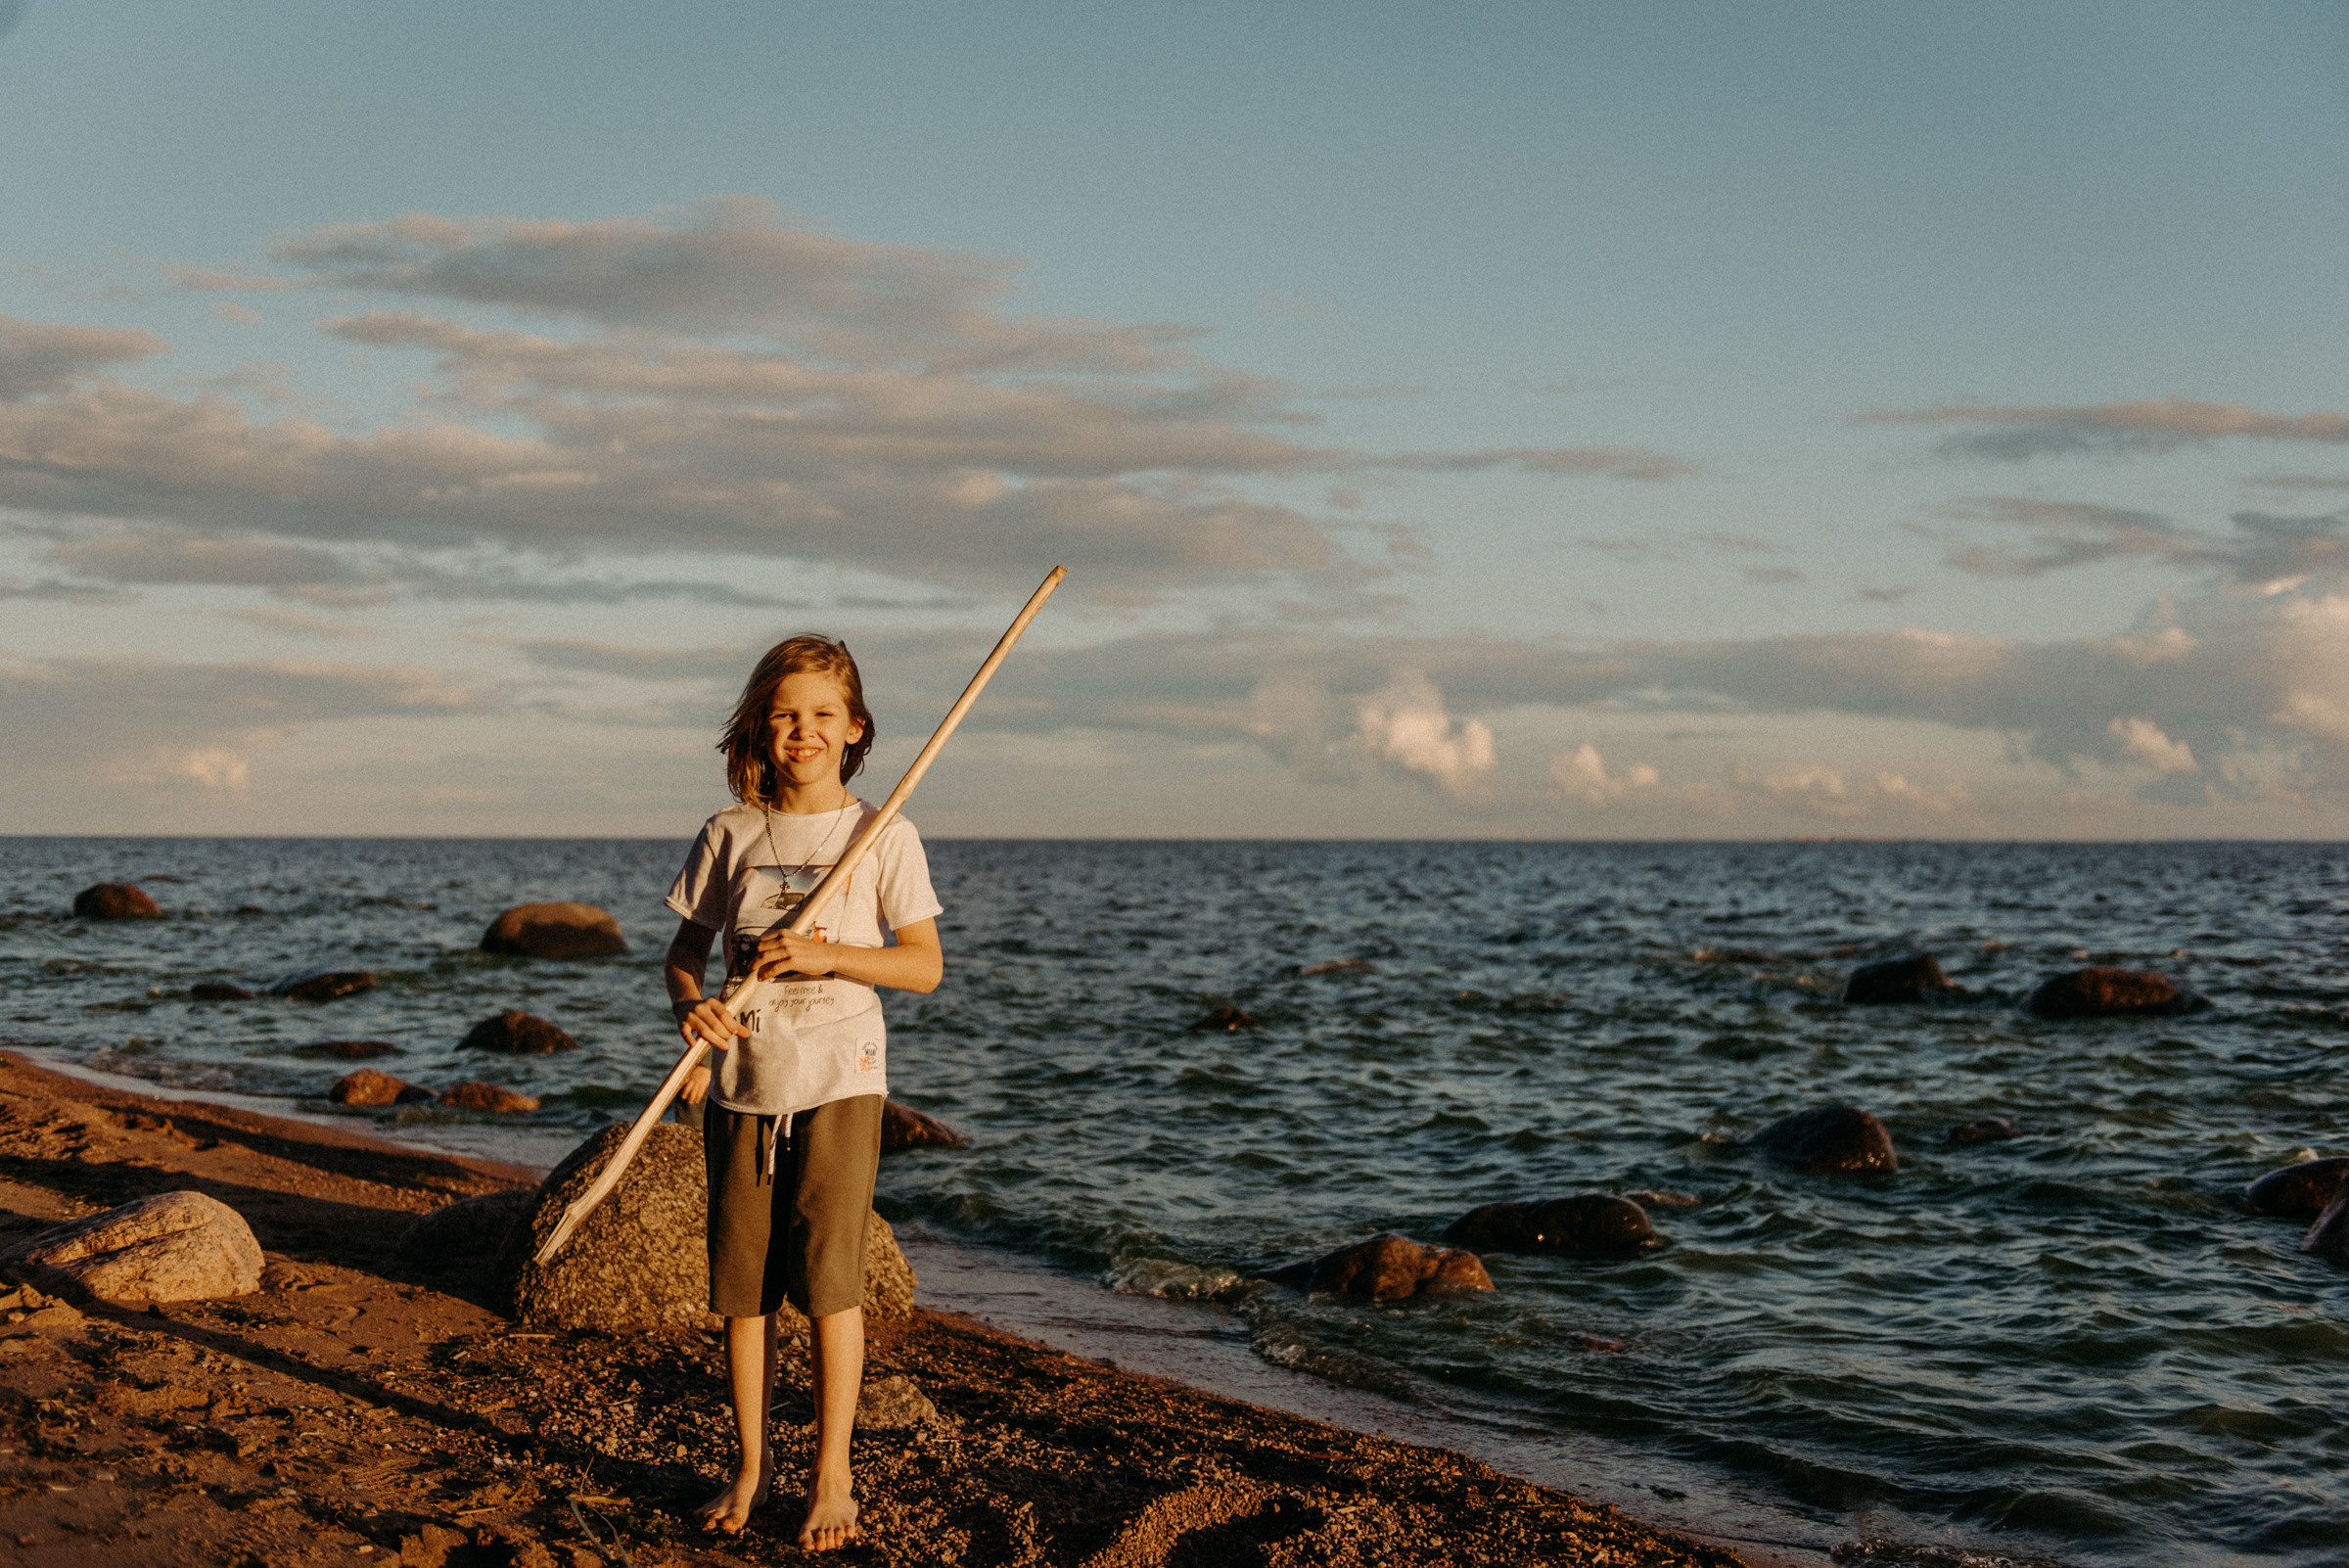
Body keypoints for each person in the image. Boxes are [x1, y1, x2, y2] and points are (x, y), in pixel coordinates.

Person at [660, 634, 944, 1551]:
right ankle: (751, 1467)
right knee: (743, 1293)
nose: (803, 730)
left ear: (855, 729)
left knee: (829, 1283)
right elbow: (682, 955)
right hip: (743, 1080)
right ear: (758, 726)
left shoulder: (882, 832)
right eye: (785, 714)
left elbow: (923, 966)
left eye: (824, 714)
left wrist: (826, 954)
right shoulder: (729, 833)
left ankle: (832, 1473)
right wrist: (690, 1013)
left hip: (839, 1077)